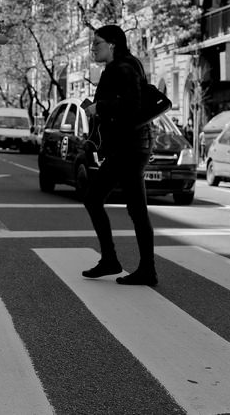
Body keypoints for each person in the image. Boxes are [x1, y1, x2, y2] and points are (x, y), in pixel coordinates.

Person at [81, 24, 158, 286]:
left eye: (97, 43)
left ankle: (135, 266)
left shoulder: (122, 68)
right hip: (129, 146)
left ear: (112, 44)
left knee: (106, 200)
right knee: (125, 206)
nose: (93, 48)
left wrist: (99, 107)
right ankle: (117, 261)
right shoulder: (124, 65)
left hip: (130, 147)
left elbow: (132, 105)